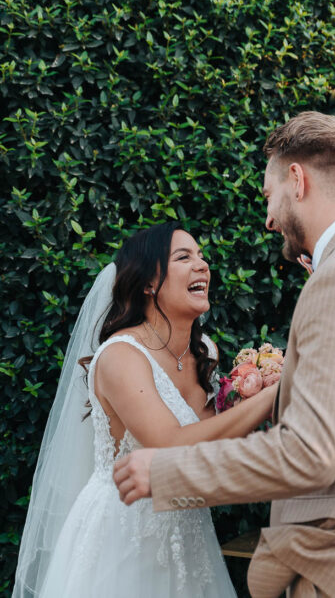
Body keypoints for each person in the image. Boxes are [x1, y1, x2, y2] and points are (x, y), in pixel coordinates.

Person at [114, 112, 335, 598]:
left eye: (268, 197)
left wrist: (165, 471)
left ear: (296, 179)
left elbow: (312, 453)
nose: (267, 219)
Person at [13, 222, 277, 598]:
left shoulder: (207, 353)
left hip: (188, 530)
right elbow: (168, 445)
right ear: (149, 284)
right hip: (124, 533)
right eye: (184, 257)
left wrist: (250, 399)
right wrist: (272, 396)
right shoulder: (122, 355)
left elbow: (210, 446)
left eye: (202, 256)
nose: (202, 265)